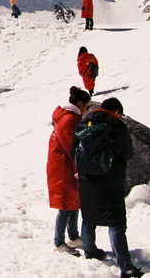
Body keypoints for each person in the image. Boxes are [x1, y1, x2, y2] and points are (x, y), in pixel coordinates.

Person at [77, 97, 143, 278]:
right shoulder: (117, 126)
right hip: (111, 180)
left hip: (86, 179)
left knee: (88, 217)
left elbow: (75, 147)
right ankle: (126, 267)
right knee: (115, 222)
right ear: (116, 111)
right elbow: (128, 152)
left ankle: (89, 251)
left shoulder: (85, 123)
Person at [47, 86, 92, 256]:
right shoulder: (68, 120)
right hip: (63, 168)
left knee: (74, 201)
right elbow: (71, 148)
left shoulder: (69, 117)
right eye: (86, 106)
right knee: (65, 205)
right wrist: (79, 168)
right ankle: (59, 242)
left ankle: (73, 236)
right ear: (80, 104)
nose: (87, 110)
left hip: (65, 167)